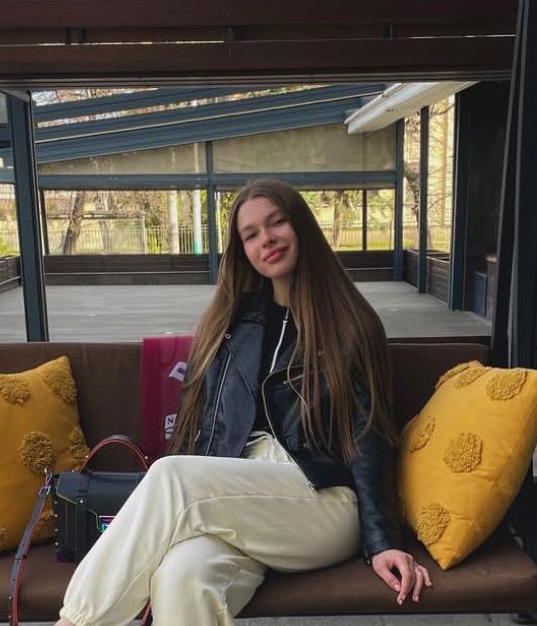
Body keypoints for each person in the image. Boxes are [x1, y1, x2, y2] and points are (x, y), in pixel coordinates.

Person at [56, 179, 431, 626]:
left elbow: (369, 437)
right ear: (242, 250)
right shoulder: (232, 324)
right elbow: (204, 428)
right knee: (181, 577)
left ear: (301, 226)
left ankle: (74, 623)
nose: (266, 239)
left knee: (172, 476)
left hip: (321, 498)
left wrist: (383, 540)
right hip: (238, 495)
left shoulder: (350, 323)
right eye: (251, 234)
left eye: (277, 223)